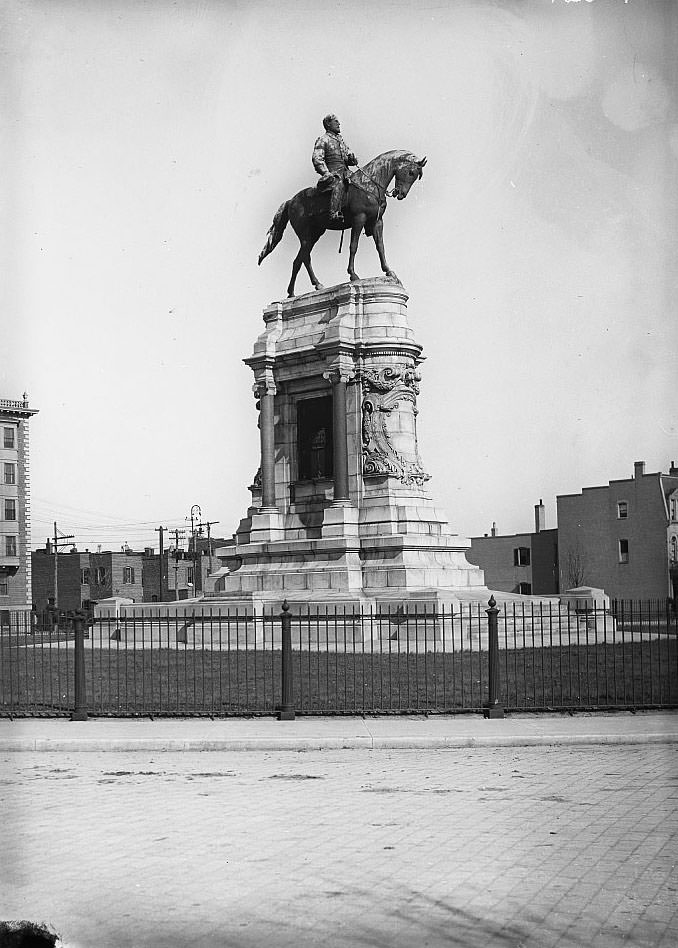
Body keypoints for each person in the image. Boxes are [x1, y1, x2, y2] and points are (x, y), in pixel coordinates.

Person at [312, 114, 358, 221]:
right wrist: (326, 172)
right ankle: (334, 212)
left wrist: (351, 159)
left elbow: (349, 160)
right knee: (339, 184)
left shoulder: (341, 141)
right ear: (328, 124)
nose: (339, 124)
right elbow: (317, 159)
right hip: (333, 173)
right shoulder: (323, 139)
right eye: (336, 121)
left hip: (346, 172)